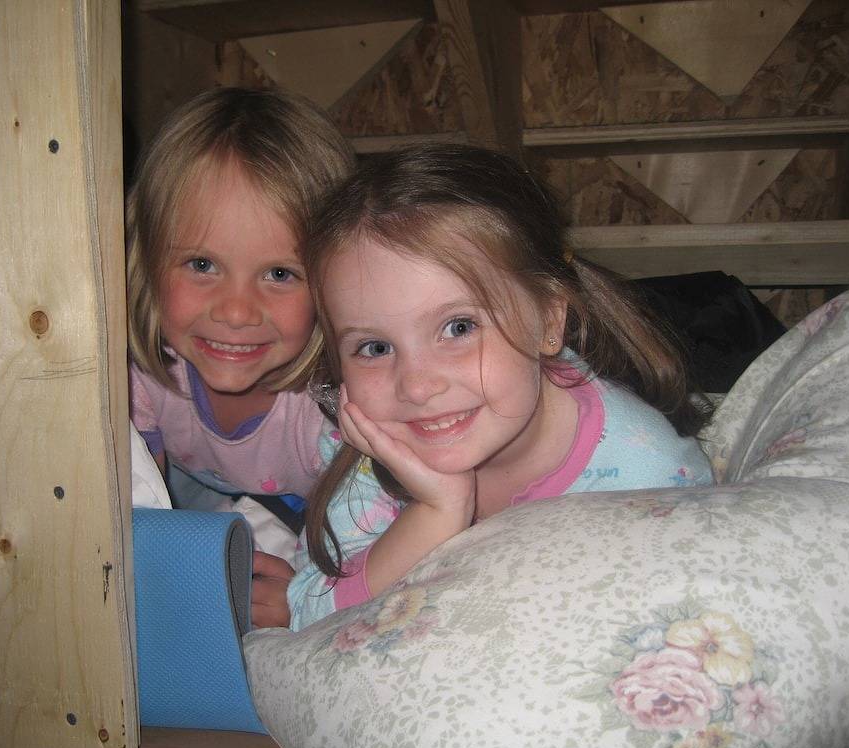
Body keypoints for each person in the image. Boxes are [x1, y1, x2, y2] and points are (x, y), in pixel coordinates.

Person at [288, 143, 714, 630]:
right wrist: (436, 510)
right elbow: (308, 615)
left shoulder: (649, 477)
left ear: (549, 320)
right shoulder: (373, 440)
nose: (418, 387)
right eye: (375, 348)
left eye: (459, 328)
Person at [126, 87, 355, 628]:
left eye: (279, 274)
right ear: (150, 258)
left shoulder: (337, 407)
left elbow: (380, 539)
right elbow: (143, 522)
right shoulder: (141, 374)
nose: (234, 312)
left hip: (324, 503)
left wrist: (309, 598)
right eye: (202, 264)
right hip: (201, 488)